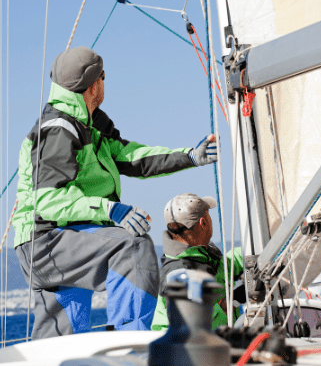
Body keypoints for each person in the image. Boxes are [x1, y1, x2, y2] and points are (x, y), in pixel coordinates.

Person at [13, 46, 218, 340]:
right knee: (131, 246)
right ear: (95, 83)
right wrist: (111, 211)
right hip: (48, 239)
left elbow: (133, 157)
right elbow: (47, 200)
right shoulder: (58, 130)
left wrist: (189, 156)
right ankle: (130, 344)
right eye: (104, 78)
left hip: (61, 243)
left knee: (61, 343)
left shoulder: (92, 124)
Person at [151, 193, 245, 331]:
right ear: (204, 222)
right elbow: (192, 327)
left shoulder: (199, 256)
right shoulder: (180, 273)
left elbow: (226, 266)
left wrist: (256, 254)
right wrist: (229, 303)